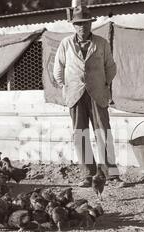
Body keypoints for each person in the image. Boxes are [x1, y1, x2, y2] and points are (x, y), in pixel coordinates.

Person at [53, 5, 125, 187]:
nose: (82, 27)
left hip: (97, 93)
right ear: (74, 25)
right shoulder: (66, 44)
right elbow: (58, 69)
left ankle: (112, 174)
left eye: (85, 24)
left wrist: (104, 84)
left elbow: (111, 67)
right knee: (81, 133)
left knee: (103, 133)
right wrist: (66, 85)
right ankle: (87, 174)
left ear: (91, 24)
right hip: (75, 94)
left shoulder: (101, 43)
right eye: (78, 24)